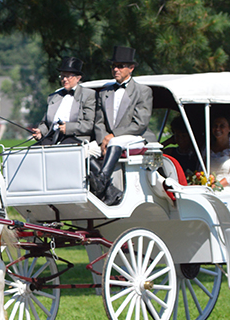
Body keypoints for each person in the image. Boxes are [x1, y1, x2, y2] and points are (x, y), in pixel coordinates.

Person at [90, 46, 155, 204]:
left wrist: (112, 136)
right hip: (108, 139)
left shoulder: (143, 91)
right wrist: (102, 140)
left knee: (115, 142)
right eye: (113, 66)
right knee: (84, 150)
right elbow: (99, 121)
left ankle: (101, 184)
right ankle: (110, 190)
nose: (115, 69)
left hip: (134, 137)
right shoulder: (105, 92)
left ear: (131, 68)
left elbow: (139, 123)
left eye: (120, 66)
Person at [32, 56, 96, 146]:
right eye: (62, 76)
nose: (64, 79)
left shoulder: (88, 95)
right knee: (30, 153)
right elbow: (46, 123)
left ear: (78, 78)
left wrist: (68, 128)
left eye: (68, 76)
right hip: (52, 138)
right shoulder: (53, 97)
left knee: (60, 152)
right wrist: (40, 131)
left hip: (74, 137)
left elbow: (89, 125)